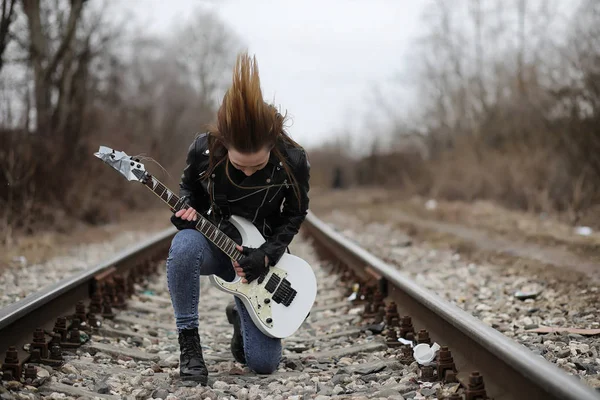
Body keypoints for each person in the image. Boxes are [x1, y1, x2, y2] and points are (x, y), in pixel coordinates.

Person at [166, 52, 310, 385]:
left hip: (260, 260)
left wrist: (268, 255)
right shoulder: (203, 150)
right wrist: (185, 212)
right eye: (239, 165)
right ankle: (189, 346)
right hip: (217, 244)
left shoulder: (293, 158)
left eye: (256, 167)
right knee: (183, 245)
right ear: (224, 144)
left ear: (272, 145)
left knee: (262, 364)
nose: (247, 172)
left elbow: (295, 211)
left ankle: (239, 315)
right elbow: (189, 192)